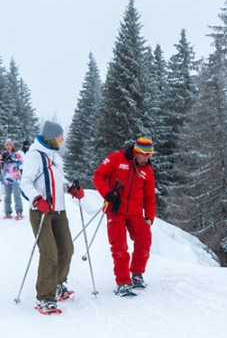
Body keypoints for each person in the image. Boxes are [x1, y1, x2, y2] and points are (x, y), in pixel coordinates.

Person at [20, 120, 84, 314]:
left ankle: (57, 284)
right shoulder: (35, 156)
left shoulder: (56, 157)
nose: (62, 138)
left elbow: (58, 182)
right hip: (41, 212)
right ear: (51, 137)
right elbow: (25, 183)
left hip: (59, 211)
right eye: (60, 136)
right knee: (49, 254)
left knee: (67, 249)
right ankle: (45, 298)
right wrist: (37, 199)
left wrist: (70, 189)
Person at [93, 137, 156, 297]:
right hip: (115, 210)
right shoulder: (115, 158)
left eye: (150, 155)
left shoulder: (147, 171)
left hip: (136, 212)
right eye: (145, 155)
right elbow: (99, 176)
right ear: (136, 152)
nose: (147, 158)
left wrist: (149, 217)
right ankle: (123, 282)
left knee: (144, 242)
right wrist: (107, 193)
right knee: (119, 247)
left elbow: (149, 197)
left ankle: (136, 274)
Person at [0, 138, 24, 219]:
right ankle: (7, 212)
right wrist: (2, 159)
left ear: (12, 146)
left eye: (10, 145)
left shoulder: (16, 154)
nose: (8, 146)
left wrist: (12, 158)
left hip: (15, 177)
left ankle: (19, 211)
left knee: (17, 195)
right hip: (6, 178)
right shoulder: (2, 154)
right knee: (7, 196)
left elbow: (21, 161)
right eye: (7, 145)